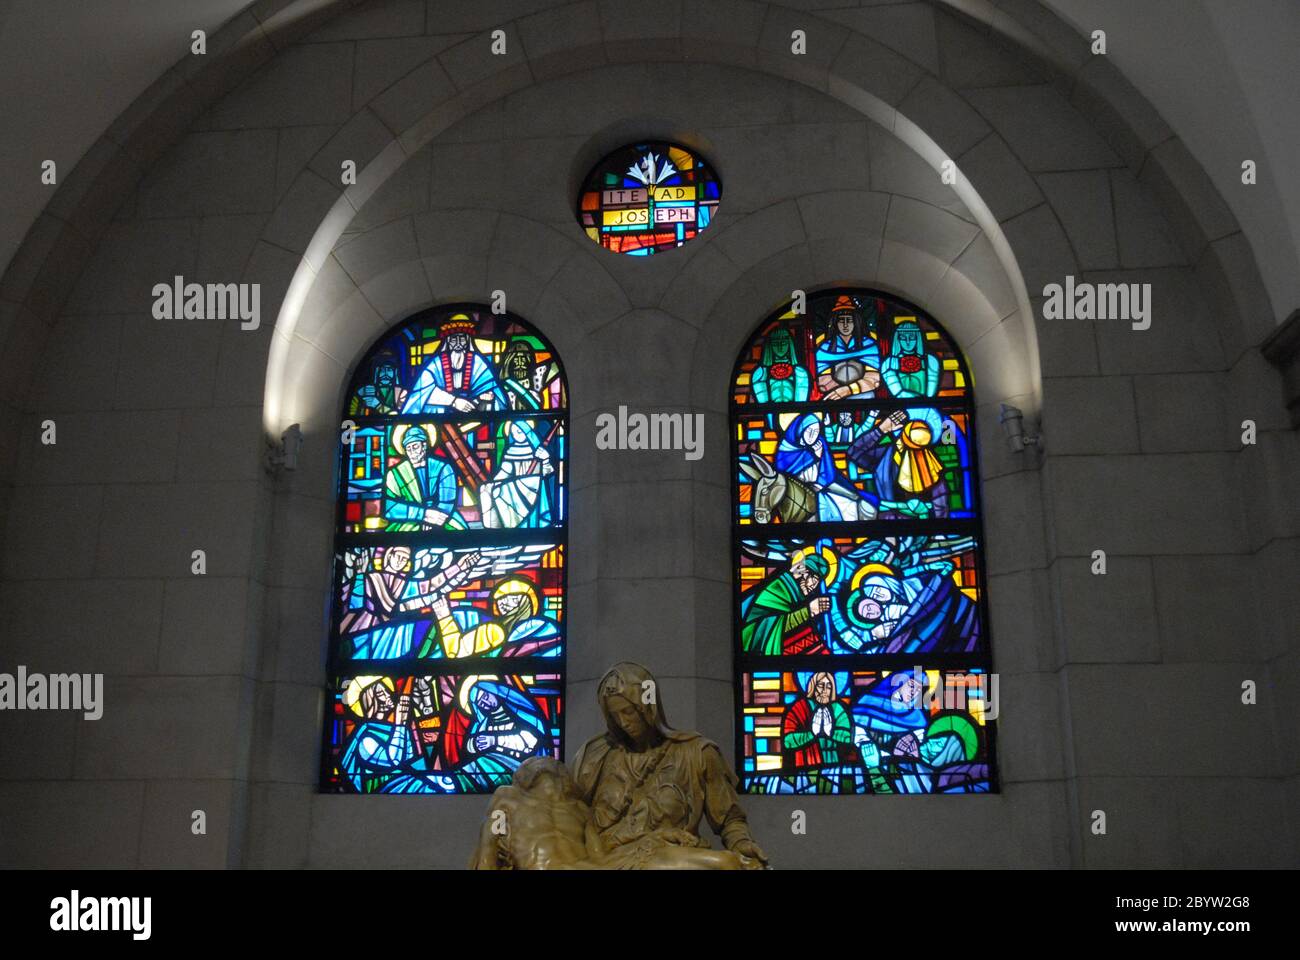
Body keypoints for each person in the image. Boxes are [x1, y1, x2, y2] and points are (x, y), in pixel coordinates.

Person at [569, 662, 768, 869]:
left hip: (670, 859)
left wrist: (741, 843)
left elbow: (730, 820)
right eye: (614, 715)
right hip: (608, 862)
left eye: (628, 712)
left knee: (730, 863)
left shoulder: (697, 753)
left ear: (648, 706)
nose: (623, 722)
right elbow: (570, 819)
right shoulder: (593, 757)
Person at [401, 314, 505, 413]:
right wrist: (453, 401)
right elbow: (422, 390)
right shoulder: (436, 364)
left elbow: (492, 386)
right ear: (448, 341)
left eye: (462, 339)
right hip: (440, 417)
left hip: (472, 414)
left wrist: (486, 394)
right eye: (454, 339)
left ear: (468, 340)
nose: (458, 343)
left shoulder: (477, 362)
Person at [741, 553, 831, 656]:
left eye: (817, 581)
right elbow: (769, 624)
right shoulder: (777, 589)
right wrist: (810, 610)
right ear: (800, 572)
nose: (813, 585)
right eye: (813, 578)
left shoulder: (794, 595)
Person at [782, 672, 853, 793]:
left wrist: (830, 732)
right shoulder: (799, 708)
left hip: (834, 767)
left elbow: (847, 737)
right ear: (813, 686)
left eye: (829, 686)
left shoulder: (838, 709)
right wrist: (811, 734)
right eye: (821, 685)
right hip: (805, 768)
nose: (825, 690)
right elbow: (788, 741)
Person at [382, 425, 464, 531]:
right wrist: (423, 514)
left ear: (424, 445)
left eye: (415, 446)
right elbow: (389, 507)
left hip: (442, 518)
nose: (412, 452)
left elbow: (447, 502)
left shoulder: (443, 468)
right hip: (409, 520)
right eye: (408, 448)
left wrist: (436, 518)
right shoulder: (395, 474)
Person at [480, 420, 555, 529]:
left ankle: (512, 529)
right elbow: (504, 473)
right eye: (513, 433)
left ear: (527, 432)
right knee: (486, 489)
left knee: (499, 491)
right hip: (516, 486)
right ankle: (495, 528)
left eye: (519, 432)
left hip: (533, 487)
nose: (516, 435)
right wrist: (491, 484)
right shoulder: (511, 450)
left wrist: (546, 459)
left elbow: (547, 472)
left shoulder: (538, 450)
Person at [814, 295, 881, 400]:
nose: (845, 325)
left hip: (864, 397)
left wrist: (849, 390)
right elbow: (823, 381)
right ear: (835, 323)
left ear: (856, 322)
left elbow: (874, 379)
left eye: (849, 320)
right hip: (834, 398)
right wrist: (839, 391)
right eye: (841, 321)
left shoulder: (869, 345)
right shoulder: (825, 348)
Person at [750, 327, 809, 403]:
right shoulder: (760, 373)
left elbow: (801, 403)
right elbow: (762, 404)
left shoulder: (800, 372)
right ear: (770, 346)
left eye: (784, 343)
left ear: (789, 344)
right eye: (775, 343)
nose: (780, 347)